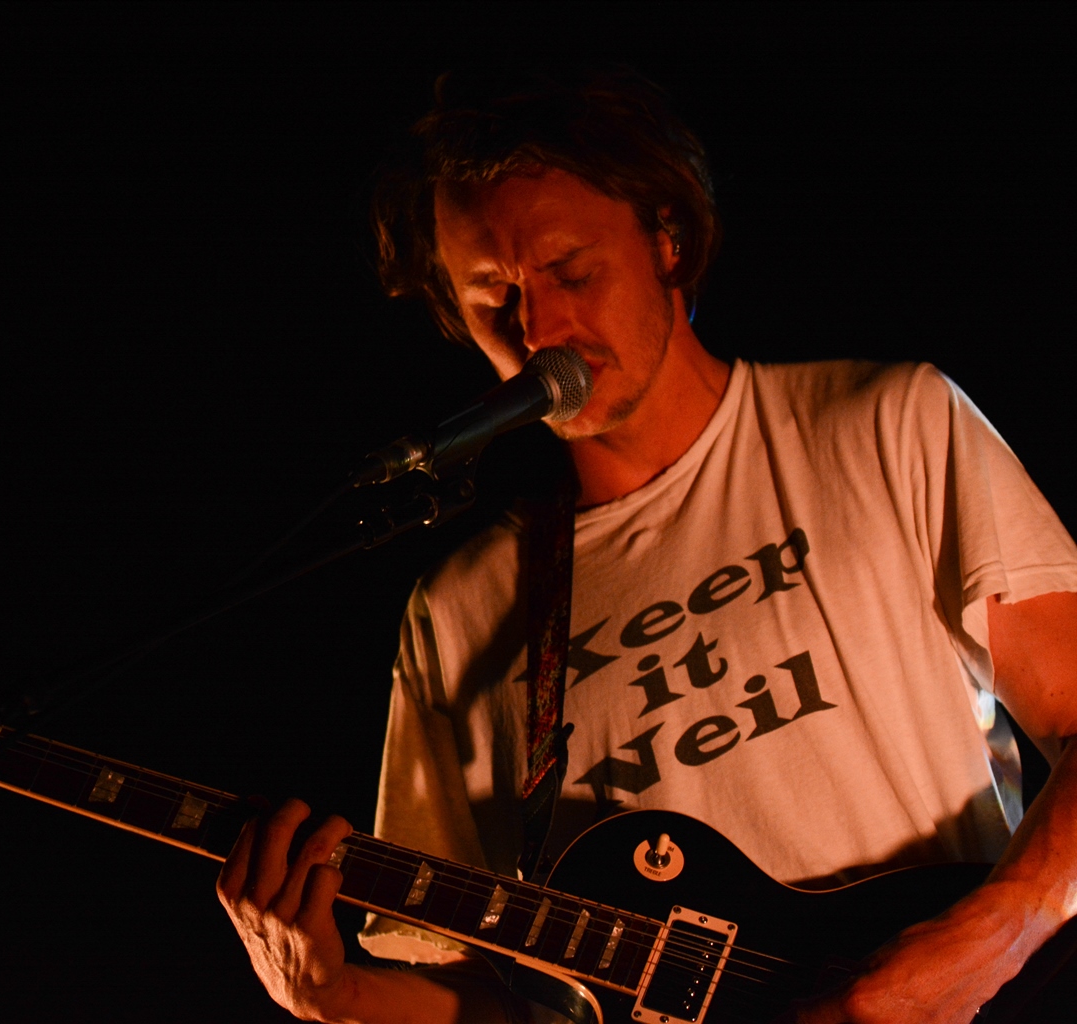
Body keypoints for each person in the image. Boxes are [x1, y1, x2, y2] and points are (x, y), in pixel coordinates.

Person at [216, 69, 1077, 1024]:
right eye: (493, 296)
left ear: (668, 238)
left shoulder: (885, 425)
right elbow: (494, 995)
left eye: (572, 271)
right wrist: (332, 996)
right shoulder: (461, 608)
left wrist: (999, 930)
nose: (541, 331)